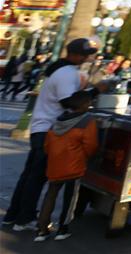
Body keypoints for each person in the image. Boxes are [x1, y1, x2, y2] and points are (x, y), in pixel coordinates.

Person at [2, 38, 101, 232]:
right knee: (37, 176)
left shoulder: (60, 70)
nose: (85, 57)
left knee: (30, 175)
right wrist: (96, 91)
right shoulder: (67, 73)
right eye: (82, 54)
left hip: (41, 127)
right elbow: (69, 102)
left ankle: (14, 215)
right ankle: (24, 219)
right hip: (49, 130)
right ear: (72, 54)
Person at [34, 90, 99, 242]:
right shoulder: (87, 121)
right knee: (70, 200)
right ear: (84, 105)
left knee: (50, 196)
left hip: (55, 165)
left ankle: (41, 230)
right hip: (74, 166)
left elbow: (47, 145)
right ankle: (62, 229)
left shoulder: (58, 120)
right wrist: (85, 157)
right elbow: (91, 145)